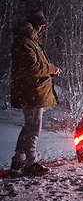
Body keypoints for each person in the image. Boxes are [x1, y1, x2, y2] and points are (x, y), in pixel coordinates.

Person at [9, 10, 62, 175]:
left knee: (29, 126)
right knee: (33, 128)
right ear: (34, 26)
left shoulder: (28, 42)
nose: (42, 30)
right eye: (41, 26)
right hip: (31, 91)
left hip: (33, 90)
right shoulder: (25, 43)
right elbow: (33, 68)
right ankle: (30, 163)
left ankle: (19, 159)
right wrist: (52, 68)